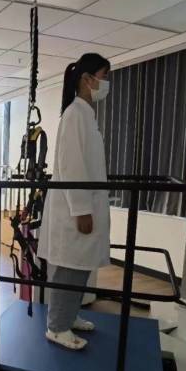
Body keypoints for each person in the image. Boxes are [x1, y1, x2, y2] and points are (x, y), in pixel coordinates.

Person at [37, 53, 111, 350]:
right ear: (87, 79)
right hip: (74, 209)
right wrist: (81, 209)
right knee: (70, 268)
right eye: (103, 77)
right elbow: (72, 166)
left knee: (80, 267)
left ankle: (69, 317)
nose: (105, 83)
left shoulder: (85, 115)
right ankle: (57, 327)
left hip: (84, 204)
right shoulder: (74, 115)